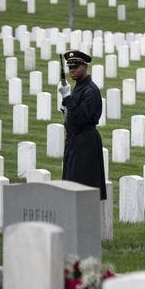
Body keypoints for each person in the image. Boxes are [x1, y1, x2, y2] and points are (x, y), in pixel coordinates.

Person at [59, 50, 107, 200]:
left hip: (85, 143)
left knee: (82, 188)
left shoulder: (90, 90)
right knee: (71, 186)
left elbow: (80, 118)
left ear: (85, 67)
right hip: (75, 141)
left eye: (76, 67)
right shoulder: (80, 86)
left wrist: (67, 98)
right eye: (70, 67)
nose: (72, 70)